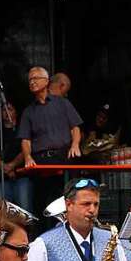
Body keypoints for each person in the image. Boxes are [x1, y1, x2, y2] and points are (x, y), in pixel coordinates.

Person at [18, 66, 84, 215]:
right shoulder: (28, 111)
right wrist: (28, 157)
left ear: (46, 81)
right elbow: (25, 139)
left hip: (64, 158)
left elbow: (75, 127)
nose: (32, 82)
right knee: (42, 204)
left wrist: (75, 144)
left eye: (35, 78)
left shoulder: (62, 103)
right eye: (30, 80)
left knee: (66, 202)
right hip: (41, 161)